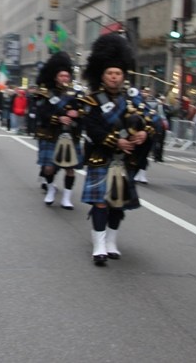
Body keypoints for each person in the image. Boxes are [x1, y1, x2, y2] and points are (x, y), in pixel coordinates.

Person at [79, 33, 154, 266]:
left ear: (123, 76)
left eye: (118, 73)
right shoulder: (92, 101)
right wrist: (115, 141)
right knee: (101, 202)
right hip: (101, 157)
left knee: (117, 203)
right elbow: (92, 129)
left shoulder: (134, 101)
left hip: (125, 159)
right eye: (110, 73)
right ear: (102, 75)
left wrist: (144, 134)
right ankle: (99, 246)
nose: (114, 77)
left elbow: (150, 124)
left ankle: (111, 241)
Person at [35, 52, 84, 208]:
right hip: (52, 134)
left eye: (67, 76)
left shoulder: (77, 93)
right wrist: (58, 118)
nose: (64, 78)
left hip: (71, 135)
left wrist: (78, 113)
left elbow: (86, 111)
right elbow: (41, 112)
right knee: (48, 168)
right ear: (56, 77)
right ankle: (50, 190)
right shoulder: (46, 93)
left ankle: (66, 198)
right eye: (61, 76)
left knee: (70, 168)